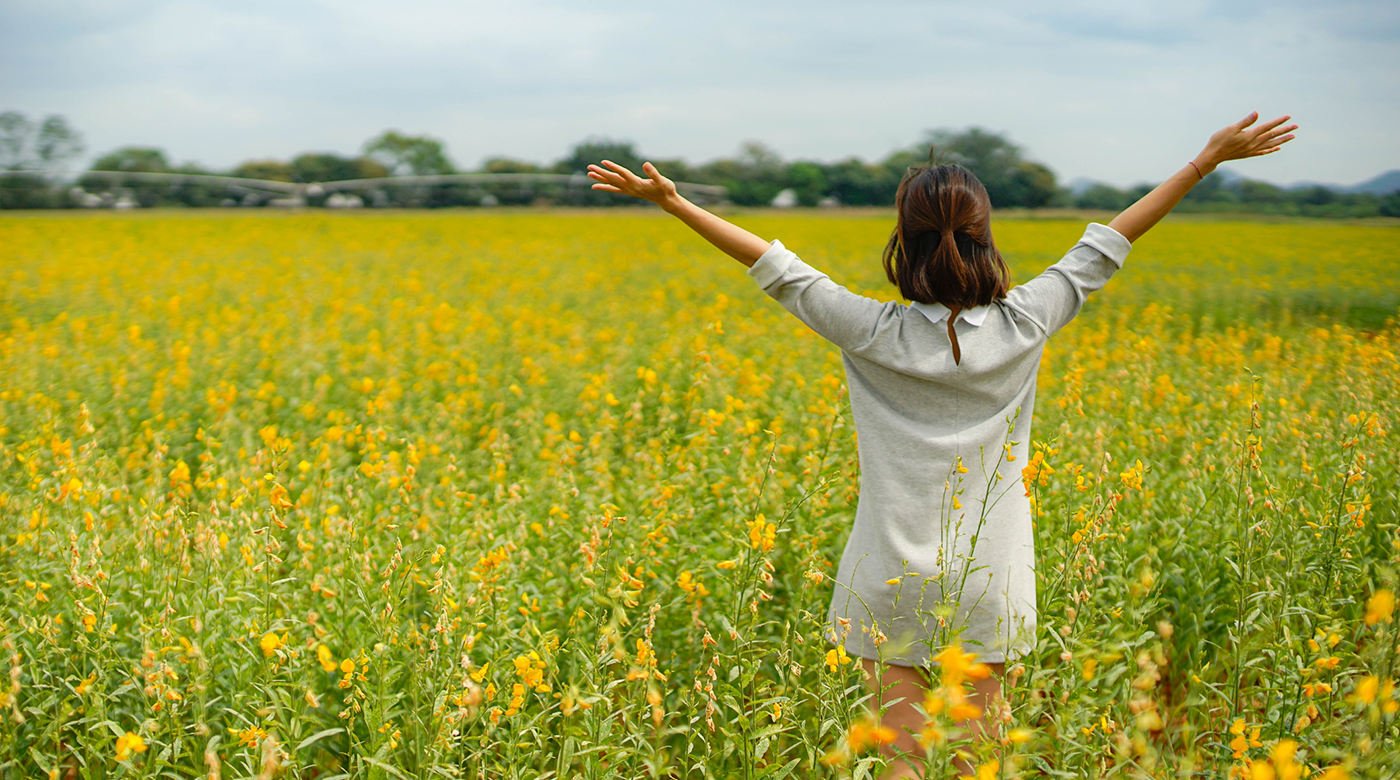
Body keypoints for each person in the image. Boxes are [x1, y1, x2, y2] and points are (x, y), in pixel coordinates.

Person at [587, 111, 1296, 778]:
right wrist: (1205, 161)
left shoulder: (868, 329)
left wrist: (675, 204)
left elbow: (776, 265)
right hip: (992, 575)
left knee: (899, 760)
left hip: (886, 572)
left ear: (904, 238)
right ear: (985, 235)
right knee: (974, 761)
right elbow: (1109, 242)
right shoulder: (1027, 322)